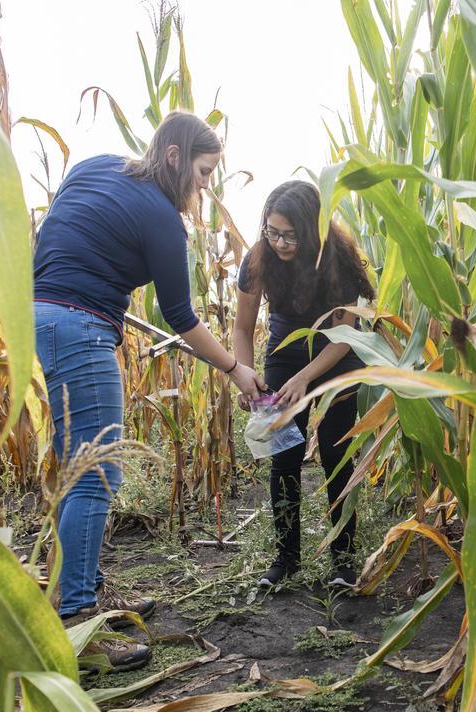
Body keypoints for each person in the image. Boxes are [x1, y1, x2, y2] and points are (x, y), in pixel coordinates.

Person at [34, 111, 265, 667]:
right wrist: (236, 368)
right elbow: (182, 316)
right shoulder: (162, 217)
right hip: (81, 325)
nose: (206, 187)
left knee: (75, 471)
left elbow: (58, 235)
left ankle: (73, 596)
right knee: (96, 476)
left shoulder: (94, 167)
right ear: (174, 158)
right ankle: (76, 629)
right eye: (204, 173)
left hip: (37, 315)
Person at [233, 181, 376, 590]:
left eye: (289, 234)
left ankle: (344, 562)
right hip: (283, 355)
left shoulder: (341, 262)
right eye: (271, 231)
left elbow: (345, 336)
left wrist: (306, 379)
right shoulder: (257, 260)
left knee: (335, 457)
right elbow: (242, 328)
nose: (278, 242)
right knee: (284, 458)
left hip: (337, 356)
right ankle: (286, 559)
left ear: (311, 230)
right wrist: (245, 375)